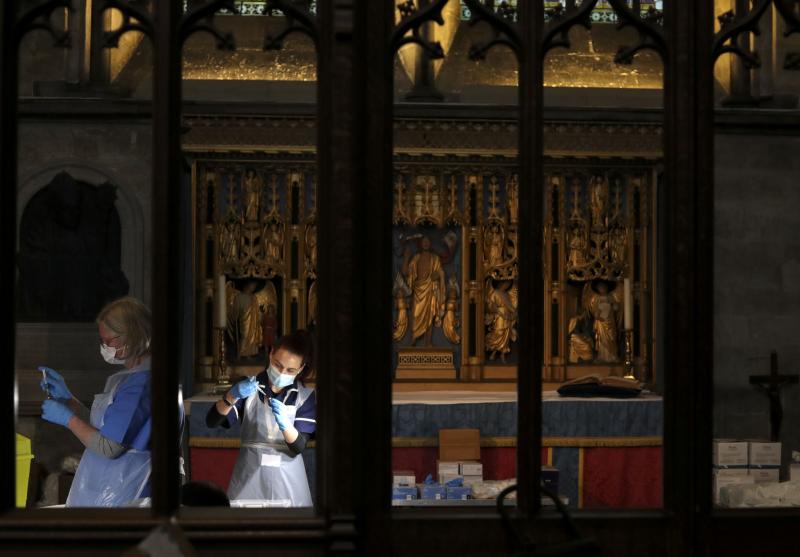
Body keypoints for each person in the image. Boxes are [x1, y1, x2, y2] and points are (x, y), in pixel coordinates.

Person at [39, 296, 155, 507]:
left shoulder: (142, 384)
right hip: (113, 489)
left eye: (109, 341)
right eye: (102, 341)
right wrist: (69, 401)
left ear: (133, 335)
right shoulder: (129, 378)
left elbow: (109, 447)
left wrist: (68, 419)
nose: (104, 347)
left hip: (131, 493)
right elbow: (105, 429)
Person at [206, 329, 316, 507]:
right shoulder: (247, 386)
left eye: (290, 370)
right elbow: (212, 421)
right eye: (278, 365)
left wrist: (286, 426)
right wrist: (232, 396)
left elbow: (298, 446)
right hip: (249, 477)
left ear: (301, 368)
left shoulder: (304, 396)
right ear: (271, 354)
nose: (282, 373)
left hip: (288, 481)